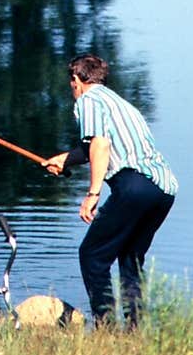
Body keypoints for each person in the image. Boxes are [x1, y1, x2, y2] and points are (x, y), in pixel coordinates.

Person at [44, 52, 178, 328]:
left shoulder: (89, 100)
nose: (71, 88)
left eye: (71, 82)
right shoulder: (121, 104)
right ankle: (134, 330)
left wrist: (93, 194)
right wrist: (65, 159)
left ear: (77, 79)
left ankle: (106, 328)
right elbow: (96, 147)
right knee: (130, 258)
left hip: (134, 186)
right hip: (163, 189)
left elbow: (101, 145)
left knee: (92, 255)